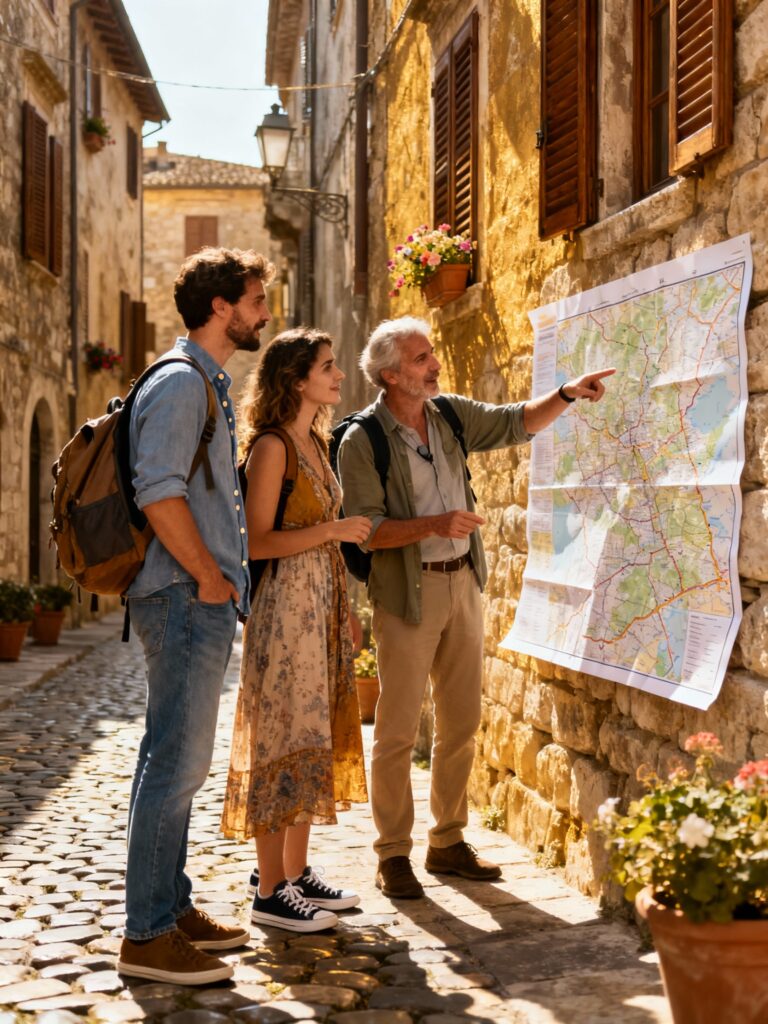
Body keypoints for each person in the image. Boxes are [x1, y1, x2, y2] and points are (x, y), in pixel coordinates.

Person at [337, 316, 614, 899]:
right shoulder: (362, 440)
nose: (433, 363)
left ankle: (448, 841)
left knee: (460, 721)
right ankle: (392, 853)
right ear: (390, 375)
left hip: (462, 582)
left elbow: (517, 422)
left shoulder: (451, 415)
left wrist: (566, 393)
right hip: (407, 594)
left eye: (431, 353)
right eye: (420, 359)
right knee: (396, 728)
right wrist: (436, 524)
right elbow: (365, 530)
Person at [117, 247, 274, 984]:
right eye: (255, 297)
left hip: (194, 598)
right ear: (221, 308)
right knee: (174, 763)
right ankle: (147, 936)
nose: (263, 310)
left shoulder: (203, 382)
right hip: (183, 597)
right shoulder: (183, 385)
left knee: (178, 761)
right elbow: (159, 490)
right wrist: (211, 578)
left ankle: (171, 907)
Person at [220, 327, 370, 933]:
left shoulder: (315, 437)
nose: (338, 376)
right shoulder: (273, 446)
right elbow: (255, 540)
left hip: (321, 606)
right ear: (296, 378)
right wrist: (332, 533)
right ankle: (270, 890)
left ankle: (294, 870)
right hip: (284, 612)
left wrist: (346, 613)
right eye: (328, 367)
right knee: (282, 737)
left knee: (312, 732)